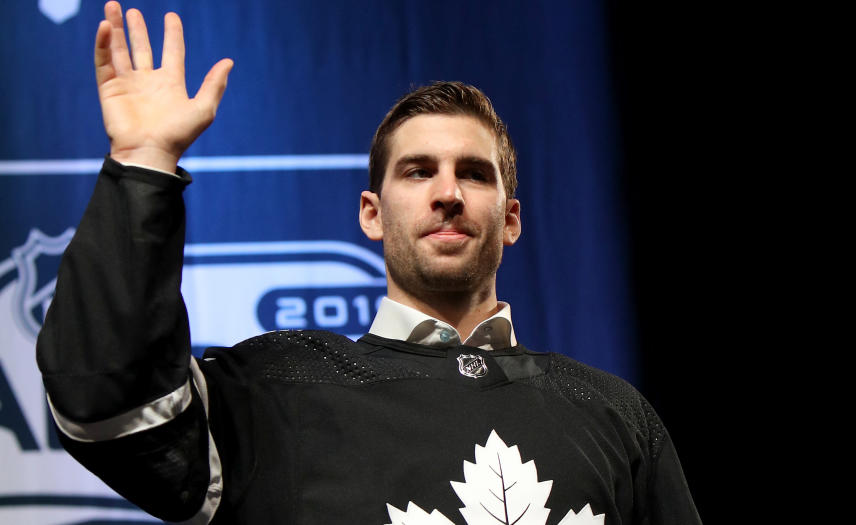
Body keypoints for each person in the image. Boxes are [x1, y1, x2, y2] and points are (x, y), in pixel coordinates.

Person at [36, 2, 700, 524]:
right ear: (371, 214)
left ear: (512, 220)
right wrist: (144, 162)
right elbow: (108, 397)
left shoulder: (614, 415)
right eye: (418, 172)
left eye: (473, 173)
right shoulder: (270, 390)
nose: (447, 192)